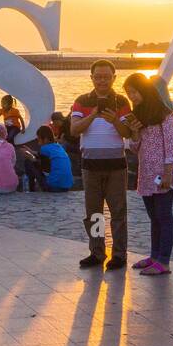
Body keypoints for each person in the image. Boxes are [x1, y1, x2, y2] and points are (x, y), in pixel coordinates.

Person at [70, 59, 132, 270]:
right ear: (92, 78)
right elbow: (74, 129)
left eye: (106, 77)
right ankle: (97, 252)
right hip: (91, 167)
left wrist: (115, 120)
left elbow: (128, 133)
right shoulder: (81, 101)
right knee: (94, 213)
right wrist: (94, 114)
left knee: (118, 212)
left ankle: (119, 254)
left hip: (116, 166)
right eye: (98, 76)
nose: (102, 81)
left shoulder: (122, 102)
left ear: (114, 78)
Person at [120, 73, 173, 276]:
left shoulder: (165, 116)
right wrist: (134, 133)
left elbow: (171, 146)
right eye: (129, 94)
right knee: (153, 217)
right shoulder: (140, 116)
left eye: (134, 92)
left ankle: (164, 261)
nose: (132, 97)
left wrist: (168, 173)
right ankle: (154, 256)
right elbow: (136, 147)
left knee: (164, 215)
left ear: (144, 90)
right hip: (146, 173)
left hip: (162, 173)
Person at [25, 125, 73, 192]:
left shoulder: (44, 148)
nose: (38, 143)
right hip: (66, 186)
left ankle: (31, 189)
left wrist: (33, 160)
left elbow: (45, 171)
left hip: (53, 186)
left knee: (28, 162)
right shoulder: (58, 147)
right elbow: (43, 156)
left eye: (39, 140)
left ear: (46, 139)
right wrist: (32, 152)